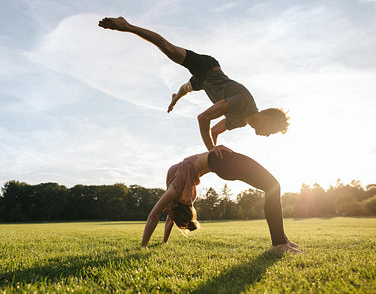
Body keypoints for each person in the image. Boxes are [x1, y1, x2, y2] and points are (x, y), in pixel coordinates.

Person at [98, 17, 290, 157]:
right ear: (266, 117)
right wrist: (212, 150)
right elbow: (203, 118)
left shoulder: (241, 121)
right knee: (169, 49)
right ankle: (127, 25)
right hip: (208, 68)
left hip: (204, 83)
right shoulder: (244, 103)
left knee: (183, 90)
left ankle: (175, 97)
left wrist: (217, 153)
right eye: (271, 131)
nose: (267, 136)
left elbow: (214, 132)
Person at [140, 145, 300, 253]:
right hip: (220, 162)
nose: (165, 210)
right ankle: (280, 243)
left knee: (272, 186)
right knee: (272, 186)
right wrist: (157, 244)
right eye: (168, 210)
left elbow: (157, 216)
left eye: (167, 210)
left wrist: (145, 246)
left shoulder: (175, 193)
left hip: (220, 163)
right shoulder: (182, 195)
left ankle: (282, 241)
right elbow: (168, 217)